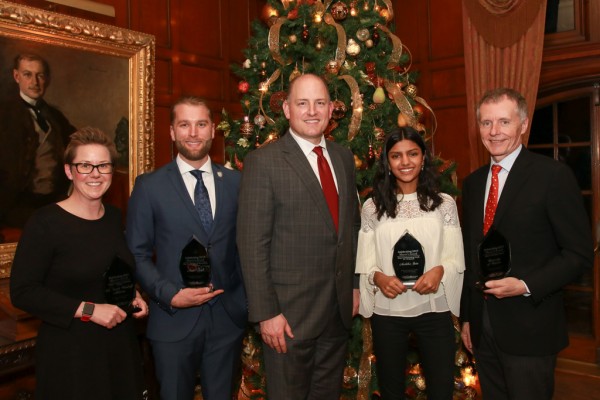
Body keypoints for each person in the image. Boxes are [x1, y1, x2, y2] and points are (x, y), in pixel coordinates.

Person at [460, 88, 594, 399]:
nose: (494, 132)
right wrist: (468, 317)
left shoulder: (553, 176)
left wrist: (525, 284)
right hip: (483, 327)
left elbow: (578, 255)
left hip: (531, 328)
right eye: (486, 123)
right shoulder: (473, 183)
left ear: (523, 125)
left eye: (504, 122)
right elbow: (471, 255)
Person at [237, 73, 361, 400]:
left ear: (332, 109)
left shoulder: (343, 158)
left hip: (336, 312)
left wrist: (354, 286)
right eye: (302, 103)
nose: (312, 111)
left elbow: (352, 228)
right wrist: (266, 313)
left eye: (320, 103)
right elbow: (252, 245)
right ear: (287, 110)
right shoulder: (264, 162)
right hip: (288, 319)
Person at [9, 127, 149, 399]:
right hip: (71, 356)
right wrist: (89, 310)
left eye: (103, 166)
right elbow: (23, 291)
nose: (95, 174)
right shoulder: (45, 223)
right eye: (85, 165)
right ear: (69, 171)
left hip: (118, 347)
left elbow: (107, 271)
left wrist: (132, 293)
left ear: (111, 171)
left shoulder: (113, 217)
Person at [126, 96, 247, 400]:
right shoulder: (149, 186)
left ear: (213, 130)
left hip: (226, 320)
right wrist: (170, 295)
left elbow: (249, 247)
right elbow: (137, 254)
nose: (193, 132)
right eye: (184, 124)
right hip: (172, 322)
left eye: (201, 124)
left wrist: (245, 303)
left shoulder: (237, 183)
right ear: (171, 132)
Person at [355, 127, 464, 399]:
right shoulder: (372, 207)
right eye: (396, 156)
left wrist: (440, 270)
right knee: (391, 391)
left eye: (412, 154)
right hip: (388, 312)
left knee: (441, 389)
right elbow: (366, 261)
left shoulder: (444, 204)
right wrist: (377, 278)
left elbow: (455, 258)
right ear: (387, 162)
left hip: (434, 309)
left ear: (423, 157)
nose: (405, 162)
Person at [0, 53, 76, 229]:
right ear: (16, 76)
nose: (34, 82)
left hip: (54, 198)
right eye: (27, 74)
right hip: (18, 203)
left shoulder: (55, 116)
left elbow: (77, 142)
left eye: (40, 75)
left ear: (47, 79)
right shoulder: (4, 114)